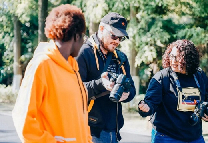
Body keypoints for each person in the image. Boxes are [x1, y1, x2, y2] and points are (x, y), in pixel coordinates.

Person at [12, 4, 92, 143]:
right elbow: (22, 118)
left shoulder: (74, 70)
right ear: (76, 36)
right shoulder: (42, 65)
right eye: (83, 37)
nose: (83, 43)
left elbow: (79, 118)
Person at [138, 40, 208, 143]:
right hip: (166, 136)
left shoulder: (199, 76)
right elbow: (150, 103)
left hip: (195, 137)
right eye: (171, 56)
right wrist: (145, 108)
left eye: (178, 57)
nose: (173, 60)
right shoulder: (162, 77)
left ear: (188, 58)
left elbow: (207, 101)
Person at [76, 12, 136, 143]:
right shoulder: (83, 53)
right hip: (89, 130)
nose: (117, 41)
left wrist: (127, 94)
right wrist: (101, 84)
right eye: (114, 35)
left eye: (121, 38)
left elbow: (132, 88)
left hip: (114, 130)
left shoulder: (121, 58)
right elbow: (75, 90)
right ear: (101, 29)